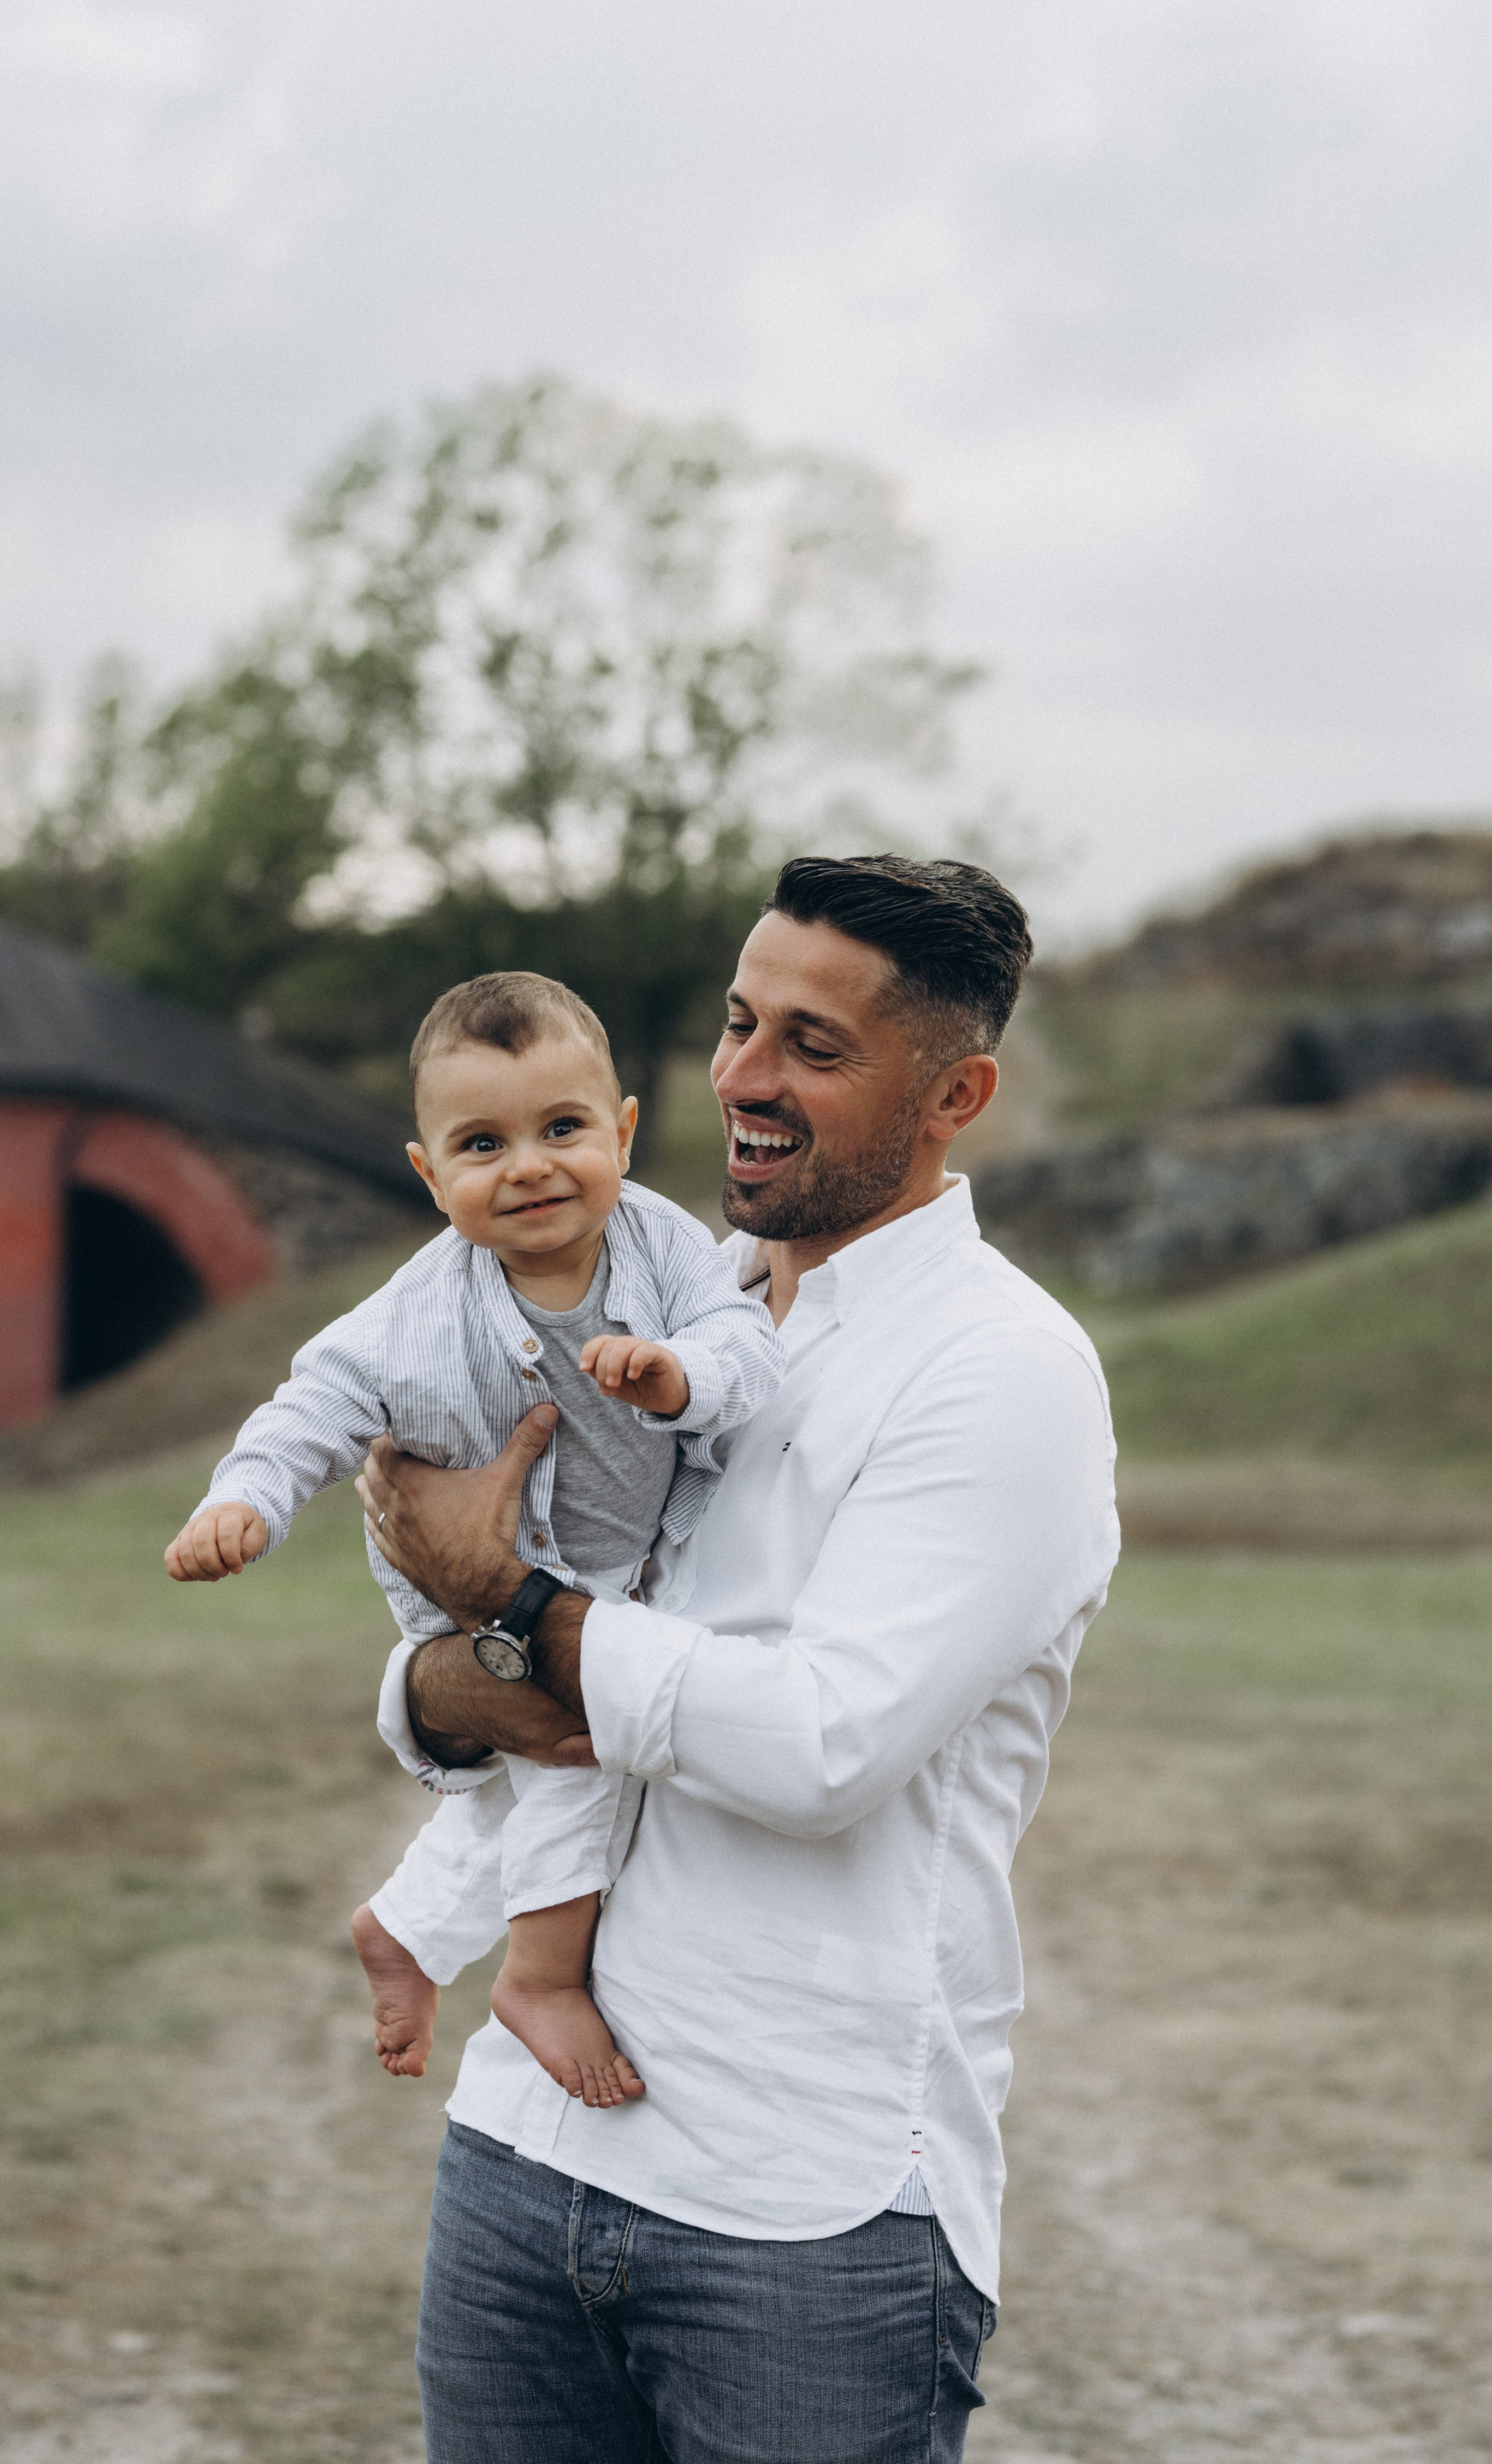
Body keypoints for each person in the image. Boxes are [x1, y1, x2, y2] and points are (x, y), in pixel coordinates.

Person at [353, 854, 1121, 2464]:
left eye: (812, 1046)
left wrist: (507, 1602)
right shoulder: (651, 1284)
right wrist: (439, 1676)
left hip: (802, 2214)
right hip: (523, 2153)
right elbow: (475, 1662)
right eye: (736, 1021)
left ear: (956, 1095)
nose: (743, 1079)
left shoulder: (1003, 1371)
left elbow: (820, 1747)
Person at [162, 971, 784, 2106]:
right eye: (483, 1144)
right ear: (430, 1173)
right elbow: (314, 1404)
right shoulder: (413, 1311)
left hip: (620, 1573)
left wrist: (679, 1374)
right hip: (475, 1584)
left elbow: (743, 1340)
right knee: (581, 1765)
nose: (530, 1166)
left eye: (563, 1129)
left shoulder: (665, 1247)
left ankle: (406, 1927)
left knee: (525, 1778)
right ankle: (541, 1979)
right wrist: (243, 1499)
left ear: (623, 1132)